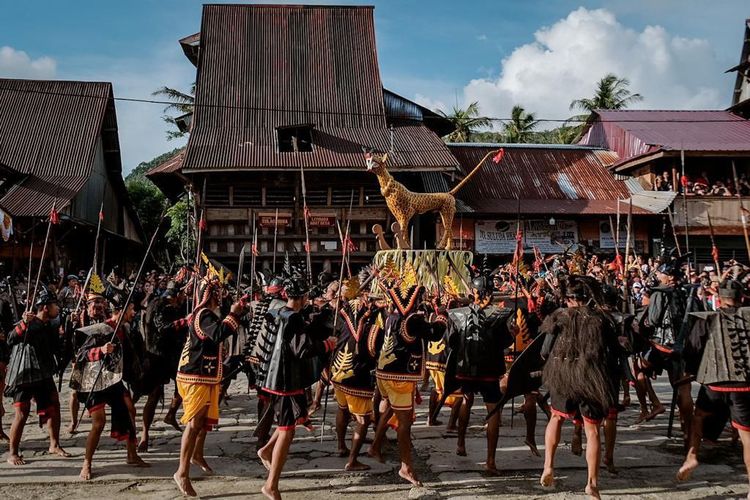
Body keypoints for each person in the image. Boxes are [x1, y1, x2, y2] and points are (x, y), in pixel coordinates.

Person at [539, 276, 621, 500]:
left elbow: (545, 351)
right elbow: (613, 351)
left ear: (569, 298)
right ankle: (592, 484)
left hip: (563, 377)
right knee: (592, 430)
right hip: (592, 379)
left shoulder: (558, 317)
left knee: (555, 418)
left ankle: (548, 467)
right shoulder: (602, 319)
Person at [256, 274, 337, 500]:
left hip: (273, 378)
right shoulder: (293, 319)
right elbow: (302, 349)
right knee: (287, 431)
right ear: (302, 297)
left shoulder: (278, 310)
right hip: (284, 380)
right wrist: (326, 345)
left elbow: (302, 322)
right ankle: (271, 485)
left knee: (289, 421)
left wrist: (324, 309)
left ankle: (266, 450)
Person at [368, 273, 447, 487]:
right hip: (399, 377)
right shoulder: (413, 320)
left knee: (392, 409)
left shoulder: (390, 315)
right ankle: (406, 467)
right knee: (405, 423)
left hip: (384, 373)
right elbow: (434, 334)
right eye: (418, 300)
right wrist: (441, 316)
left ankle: (375, 445)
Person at [676, 279, 750, 492]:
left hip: (715, 383)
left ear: (719, 299)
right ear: (741, 298)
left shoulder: (708, 320)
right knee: (747, 436)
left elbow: (692, 348)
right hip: (744, 384)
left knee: (698, 417)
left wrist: (690, 371)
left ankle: (692, 455)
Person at [172, 276, 243, 497]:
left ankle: (197, 455)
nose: (221, 296)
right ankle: (181, 473)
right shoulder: (203, 315)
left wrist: (237, 313)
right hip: (195, 377)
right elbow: (218, 334)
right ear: (211, 295)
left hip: (205, 375)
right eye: (218, 293)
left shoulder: (207, 314)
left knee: (202, 422)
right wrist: (234, 314)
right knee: (194, 424)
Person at [74, 286, 149, 480]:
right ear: (121, 311)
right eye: (131, 309)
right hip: (95, 381)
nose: (134, 313)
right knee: (99, 423)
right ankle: (87, 463)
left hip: (113, 380)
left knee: (130, 409)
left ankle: (132, 455)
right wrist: (100, 350)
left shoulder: (124, 329)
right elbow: (82, 354)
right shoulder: (101, 330)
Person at [447, 273, 514, 473]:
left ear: (475, 293)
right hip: (489, 371)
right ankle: (490, 461)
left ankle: (461, 444)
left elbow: (451, 342)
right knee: (492, 410)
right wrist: (514, 334)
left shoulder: (458, 314)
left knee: (467, 400)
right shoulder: (500, 315)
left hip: (466, 369)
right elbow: (505, 343)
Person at [5, 287, 69, 465]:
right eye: (55, 304)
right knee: (22, 413)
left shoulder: (49, 325)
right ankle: (13, 453)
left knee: (54, 404)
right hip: (24, 373)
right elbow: (11, 339)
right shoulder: (28, 323)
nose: (58, 308)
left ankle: (54, 444)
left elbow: (57, 346)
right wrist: (23, 323)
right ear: (46, 307)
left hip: (43, 372)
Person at [329, 278, 383, 471]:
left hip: (338, 372)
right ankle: (352, 460)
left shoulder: (342, 319)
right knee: (363, 419)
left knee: (342, 409)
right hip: (356, 376)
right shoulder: (372, 329)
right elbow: (378, 350)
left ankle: (341, 445)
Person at [138, 280, 188, 451]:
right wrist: (184, 321)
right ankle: (144, 433)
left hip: (172, 355)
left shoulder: (168, 305)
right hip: (158, 355)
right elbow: (163, 328)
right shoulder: (160, 306)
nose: (183, 297)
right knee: (154, 394)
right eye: (181, 294)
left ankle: (171, 414)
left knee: (183, 386)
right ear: (175, 295)